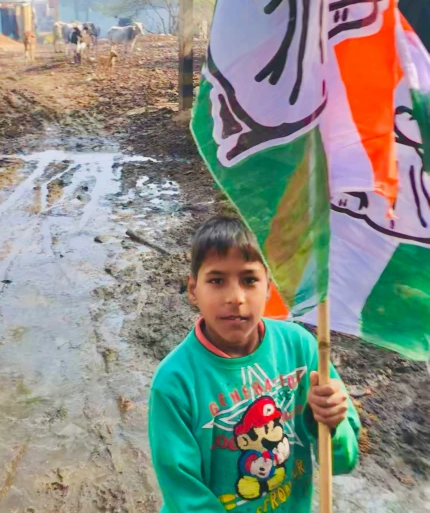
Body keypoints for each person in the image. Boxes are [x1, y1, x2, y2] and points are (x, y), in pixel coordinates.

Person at [148, 216, 360, 512]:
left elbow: (343, 461)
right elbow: (184, 495)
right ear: (193, 289)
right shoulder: (174, 382)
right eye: (217, 280)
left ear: (269, 288)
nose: (235, 298)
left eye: (249, 280)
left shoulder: (301, 348)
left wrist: (333, 423)